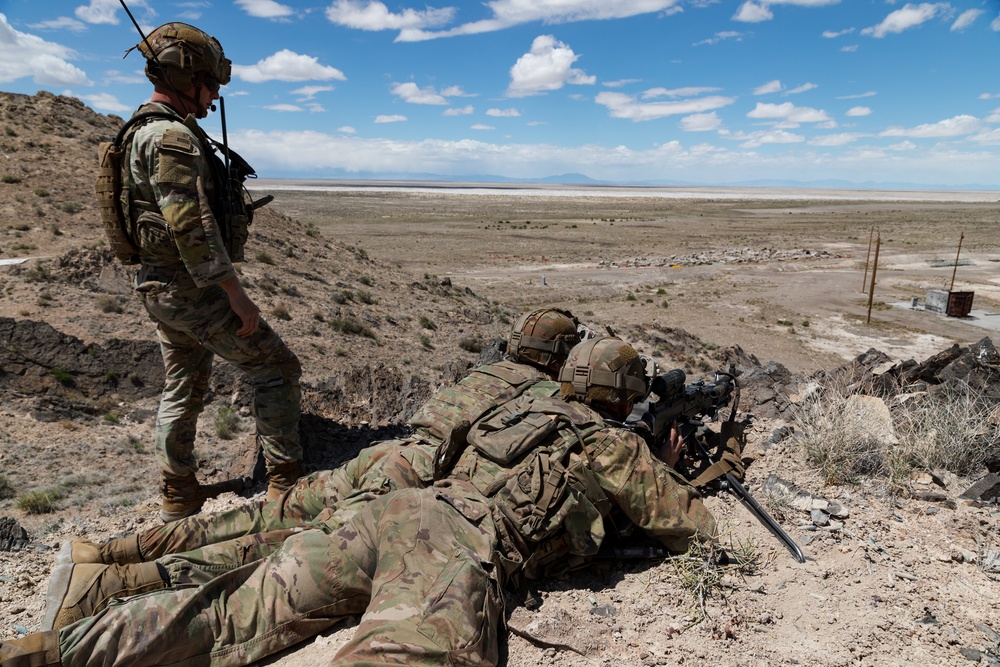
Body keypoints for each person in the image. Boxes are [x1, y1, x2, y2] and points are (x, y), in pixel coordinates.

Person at [1, 337, 717, 666]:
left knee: (225, 612)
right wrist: (669, 466)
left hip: (387, 511)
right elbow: (693, 528)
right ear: (624, 399)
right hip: (448, 541)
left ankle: (48, 652)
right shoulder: (613, 446)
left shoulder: (512, 413)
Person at [53, 307, 581, 568]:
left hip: (384, 454)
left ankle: (116, 551)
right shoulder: (543, 394)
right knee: (294, 548)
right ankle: (130, 583)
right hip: (416, 472)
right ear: (559, 355)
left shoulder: (482, 375)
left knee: (268, 515)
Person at [117, 23, 303, 521]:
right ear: (187, 76)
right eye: (211, 83)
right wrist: (236, 296)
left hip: (159, 287)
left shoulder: (138, 129)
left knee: (185, 382)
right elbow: (190, 227)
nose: (215, 94)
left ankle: (178, 492)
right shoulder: (171, 138)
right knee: (276, 367)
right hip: (191, 288)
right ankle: (287, 484)